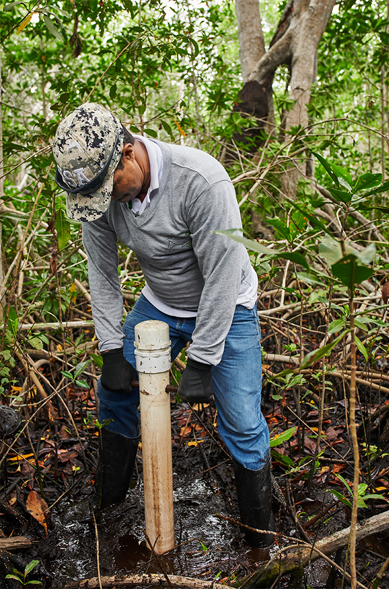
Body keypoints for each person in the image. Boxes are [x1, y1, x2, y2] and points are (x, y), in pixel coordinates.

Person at [52, 102, 276, 547]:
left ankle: (260, 541)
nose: (106, 199)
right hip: (160, 304)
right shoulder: (96, 196)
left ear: (129, 153)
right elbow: (103, 273)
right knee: (113, 395)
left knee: (243, 421)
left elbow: (223, 272)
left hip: (227, 305)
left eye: (110, 185)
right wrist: (111, 349)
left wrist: (204, 356)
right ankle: (108, 514)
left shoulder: (201, 180)